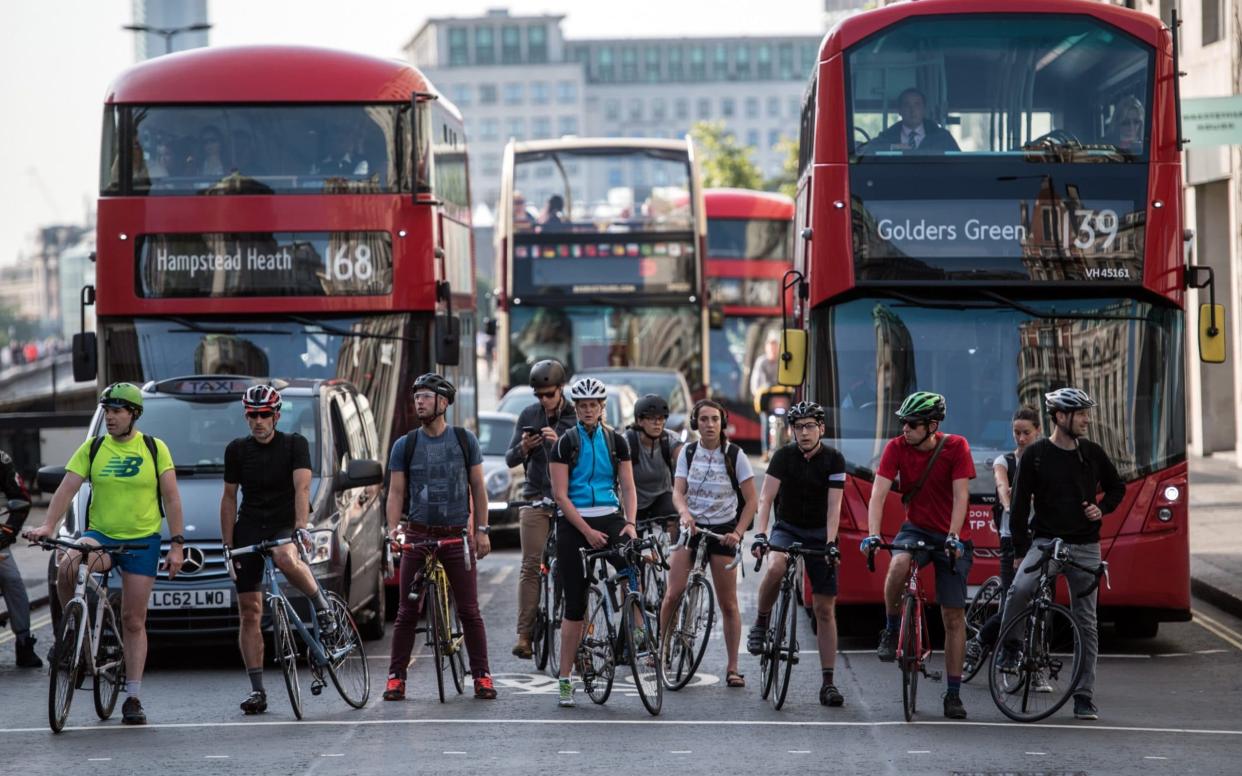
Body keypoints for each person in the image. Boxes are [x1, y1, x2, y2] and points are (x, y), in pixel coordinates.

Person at [27, 383, 186, 725]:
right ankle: (72, 634)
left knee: (133, 619)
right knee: (68, 565)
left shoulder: (154, 449)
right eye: (107, 411)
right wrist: (48, 526)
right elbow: (67, 487)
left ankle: (132, 696)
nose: (110, 418)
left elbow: (172, 498)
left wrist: (176, 544)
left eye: (117, 412)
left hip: (142, 541)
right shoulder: (94, 447)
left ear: (133, 415)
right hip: (100, 536)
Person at [998, 388, 1124, 721]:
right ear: (1060, 417)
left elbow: (1117, 488)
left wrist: (1102, 508)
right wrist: (1021, 551)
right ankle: (1010, 648)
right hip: (1045, 541)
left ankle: (1083, 695)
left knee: (1087, 623)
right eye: (1080, 413)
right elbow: (1020, 506)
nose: (1086, 419)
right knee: (1020, 590)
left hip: (1085, 546)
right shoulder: (1036, 455)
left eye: (1085, 413)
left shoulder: (1092, 453)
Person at [860, 391, 974, 719]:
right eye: (903, 423)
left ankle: (953, 693)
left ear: (932, 426)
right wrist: (871, 535)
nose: (905, 429)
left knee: (953, 617)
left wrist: (954, 537)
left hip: (952, 536)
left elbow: (960, 498)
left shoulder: (956, 447)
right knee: (897, 561)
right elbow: (878, 495)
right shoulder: (896, 447)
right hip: (917, 530)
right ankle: (892, 627)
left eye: (911, 424)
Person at [384, 373, 497, 702]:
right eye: (416, 395)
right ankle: (395, 678)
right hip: (418, 536)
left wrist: (483, 531)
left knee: (469, 611)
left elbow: (478, 487)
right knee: (406, 611)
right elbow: (396, 492)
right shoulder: (406, 444)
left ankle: (482, 676)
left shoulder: (464, 440)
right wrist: (393, 530)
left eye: (427, 396)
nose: (419, 401)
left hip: (456, 536)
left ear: (443, 402)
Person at [221, 384, 328, 716]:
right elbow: (228, 498)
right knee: (250, 611)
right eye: (252, 415)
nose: (258, 421)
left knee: (284, 556)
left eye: (264, 415)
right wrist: (227, 547)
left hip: (285, 519)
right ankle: (257, 691)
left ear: (276, 416)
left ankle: (319, 603)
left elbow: (303, 487)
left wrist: (300, 526)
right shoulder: (237, 450)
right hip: (251, 523)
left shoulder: (295, 444)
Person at [748, 401, 847, 705]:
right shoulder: (783, 457)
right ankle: (762, 623)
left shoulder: (834, 459)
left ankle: (828, 682)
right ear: (791, 430)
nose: (803, 433)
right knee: (776, 566)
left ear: (821, 429)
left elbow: (834, 507)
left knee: (824, 609)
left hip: (819, 532)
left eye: (809, 426)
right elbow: (766, 500)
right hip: (788, 527)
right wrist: (762, 534)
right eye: (798, 427)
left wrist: (831, 542)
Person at [548, 376, 638, 708]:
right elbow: (560, 495)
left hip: (610, 514)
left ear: (602, 408)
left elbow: (628, 487)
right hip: (574, 520)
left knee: (633, 565)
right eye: (582, 405)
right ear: (576, 408)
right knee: (574, 604)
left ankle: (639, 629)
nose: (588, 410)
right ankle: (565, 679)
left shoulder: (618, 441)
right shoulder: (564, 442)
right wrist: (586, 531)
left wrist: (630, 524)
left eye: (593, 405)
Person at [665, 399, 756, 688]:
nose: (709, 425)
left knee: (728, 604)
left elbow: (752, 500)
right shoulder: (688, 453)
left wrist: (738, 533)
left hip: (723, 531)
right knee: (673, 593)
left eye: (714, 419)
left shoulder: (735, 454)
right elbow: (678, 492)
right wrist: (685, 515)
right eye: (703, 419)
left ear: (722, 422)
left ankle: (733, 668)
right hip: (691, 528)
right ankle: (660, 649)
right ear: (695, 423)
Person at [506, 359, 577, 659]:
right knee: (530, 566)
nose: (544, 401)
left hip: (568, 500)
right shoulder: (529, 414)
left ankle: (575, 627)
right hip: (535, 496)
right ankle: (524, 635)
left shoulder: (575, 417)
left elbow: (584, 460)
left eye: (549, 394)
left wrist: (559, 442)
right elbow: (510, 459)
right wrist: (524, 447)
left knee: (570, 566)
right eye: (539, 395)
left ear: (560, 389)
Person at [964, 406, 1041, 675]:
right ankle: (994, 644)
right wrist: (1011, 506)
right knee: (1014, 598)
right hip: (1012, 538)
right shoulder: (1005, 460)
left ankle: (1031, 660)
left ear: (1037, 432)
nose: (1020, 438)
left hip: (1040, 537)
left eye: (1026, 433)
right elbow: (1000, 485)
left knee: (1040, 602)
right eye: (1016, 433)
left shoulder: (1044, 460)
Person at [0, 448, 40, 667]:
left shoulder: (2, 461)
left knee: (12, 579)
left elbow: (21, 499)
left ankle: (24, 642)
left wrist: (6, 534)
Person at [627, 394, 683, 524]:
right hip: (635, 499)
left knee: (673, 517)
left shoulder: (670, 439)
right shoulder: (627, 442)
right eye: (651, 418)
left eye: (661, 418)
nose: (657, 423)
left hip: (662, 495)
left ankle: (673, 545)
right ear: (639, 421)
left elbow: (685, 465)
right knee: (634, 539)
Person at [866, 88, 960, 154]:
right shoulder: (887, 136)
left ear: (924, 109)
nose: (912, 110)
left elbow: (958, 161)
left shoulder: (942, 137)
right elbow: (865, 151)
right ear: (900, 110)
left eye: (917, 105)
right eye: (907, 105)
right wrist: (893, 147)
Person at [750, 331, 781, 460]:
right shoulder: (761, 362)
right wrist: (759, 391)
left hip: (781, 398)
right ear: (766, 348)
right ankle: (765, 450)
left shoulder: (782, 362)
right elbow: (755, 383)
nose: (773, 351)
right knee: (765, 421)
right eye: (771, 347)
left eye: (775, 347)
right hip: (766, 399)